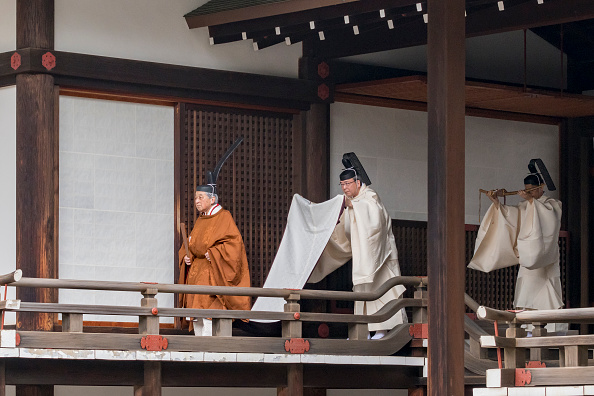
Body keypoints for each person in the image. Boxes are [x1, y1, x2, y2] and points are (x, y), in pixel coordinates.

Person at [309, 154, 406, 340]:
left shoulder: (370, 197)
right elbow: (346, 230)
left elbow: (374, 220)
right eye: (342, 185)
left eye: (348, 184)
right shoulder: (353, 203)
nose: (345, 188)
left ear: (358, 183)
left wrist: (353, 205)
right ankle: (364, 331)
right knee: (362, 293)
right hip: (364, 258)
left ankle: (381, 330)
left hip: (380, 259)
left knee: (380, 291)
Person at [178, 138, 251, 336]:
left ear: (212, 199)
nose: (196, 201)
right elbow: (191, 244)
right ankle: (200, 349)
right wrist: (186, 255)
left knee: (210, 316)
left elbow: (234, 245)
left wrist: (215, 253)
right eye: (195, 197)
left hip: (213, 275)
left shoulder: (224, 217)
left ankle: (212, 351)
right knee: (197, 318)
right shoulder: (201, 220)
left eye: (200, 197)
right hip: (197, 274)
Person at [468, 173, 563, 318]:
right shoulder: (524, 205)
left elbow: (549, 222)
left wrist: (531, 202)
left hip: (545, 263)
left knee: (548, 301)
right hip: (527, 261)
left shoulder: (552, 204)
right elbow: (512, 218)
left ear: (541, 187)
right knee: (526, 299)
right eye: (527, 190)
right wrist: (497, 203)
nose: (529, 193)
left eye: (532, 190)